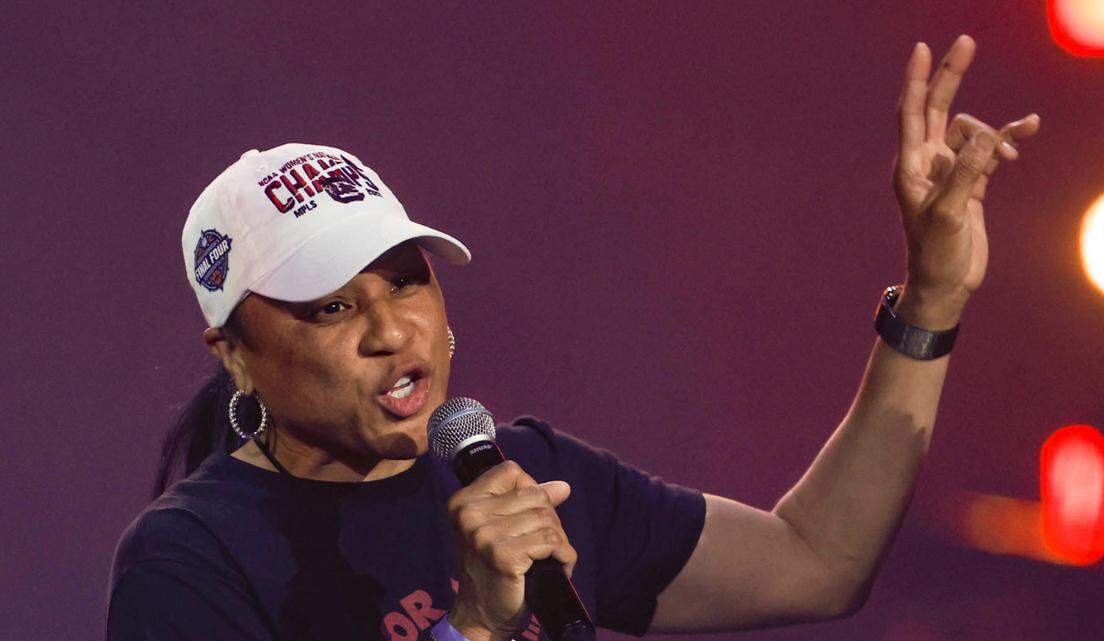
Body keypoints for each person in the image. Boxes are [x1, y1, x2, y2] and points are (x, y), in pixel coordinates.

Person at [106, 34, 1040, 641]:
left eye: (406, 279)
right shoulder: (191, 558)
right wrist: (472, 625)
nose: (392, 329)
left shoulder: (529, 474)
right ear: (234, 352)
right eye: (331, 306)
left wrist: (930, 298)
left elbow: (818, 560)